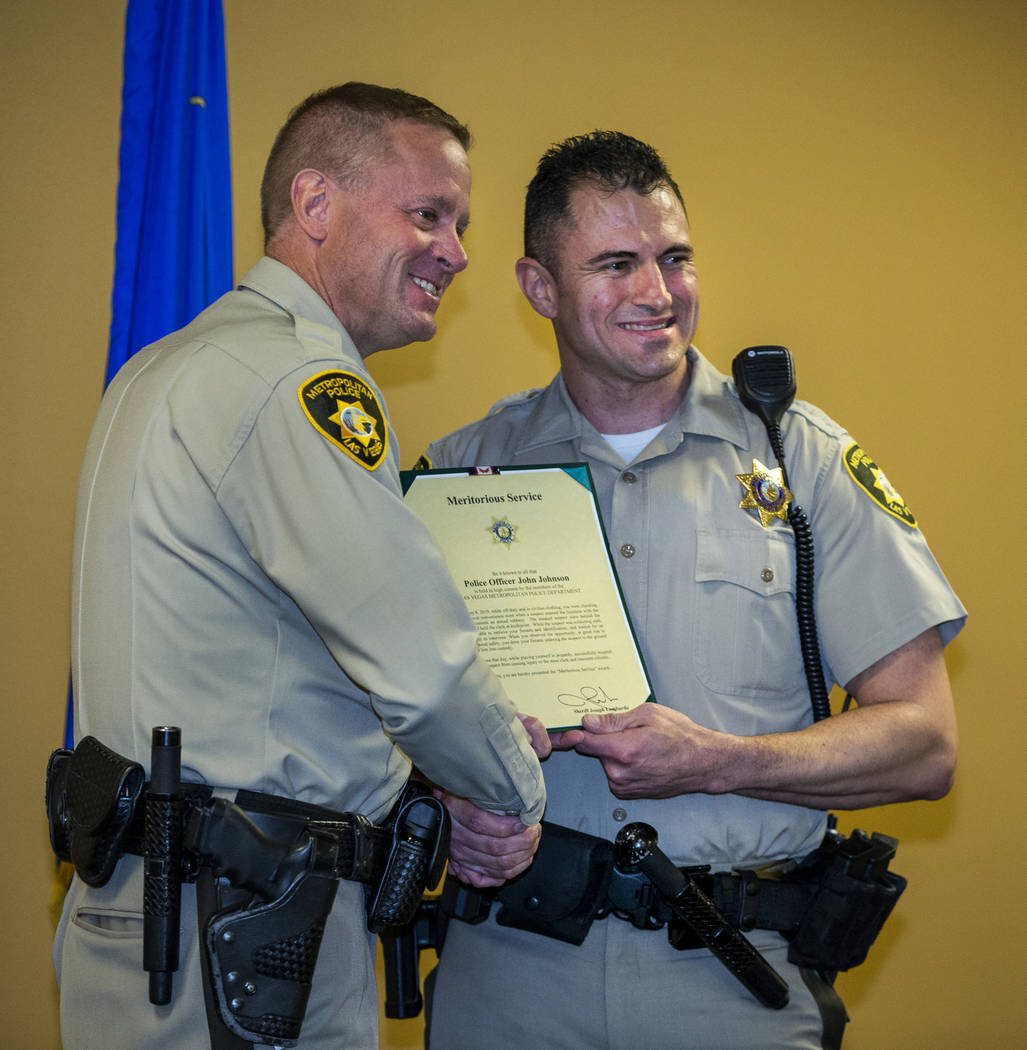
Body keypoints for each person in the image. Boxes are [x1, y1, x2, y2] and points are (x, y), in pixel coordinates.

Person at [417, 131, 964, 1050]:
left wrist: (719, 761)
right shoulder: (461, 473)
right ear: (539, 288)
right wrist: (448, 793)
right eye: (616, 264)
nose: (657, 294)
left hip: (729, 982)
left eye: (674, 258)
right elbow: (384, 719)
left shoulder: (803, 462)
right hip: (508, 978)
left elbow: (925, 746)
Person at [52, 83, 547, 1050]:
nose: (454, 250)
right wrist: (509, 793)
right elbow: (423, 668)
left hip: (153, 911)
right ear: (317, 206)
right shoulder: (296, 383)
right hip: (242, 938)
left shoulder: (169, 365)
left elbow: (268, 661)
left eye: (461, 223)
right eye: (427, 214)